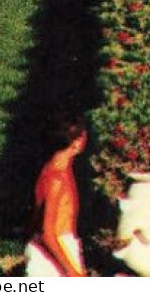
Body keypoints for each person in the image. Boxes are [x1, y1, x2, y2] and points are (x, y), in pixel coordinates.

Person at [24, 116, 88, 277]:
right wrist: (72, 272)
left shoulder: (61, 169)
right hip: (55, 250)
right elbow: (48, 233)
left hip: (56, 248)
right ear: (77, 143)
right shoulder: (56, 179)